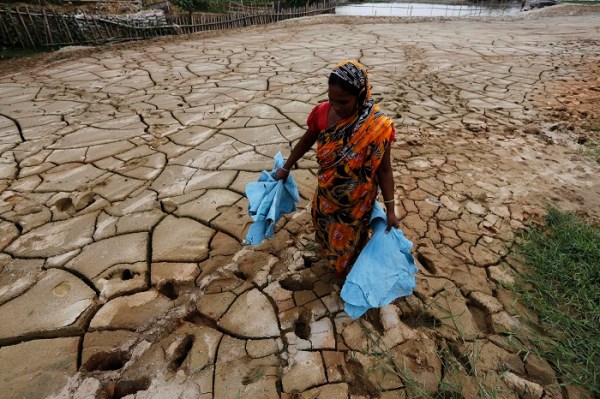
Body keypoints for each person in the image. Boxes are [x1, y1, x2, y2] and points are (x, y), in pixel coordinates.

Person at [274, 60, 399, 279]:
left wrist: (390, 210)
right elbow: (307, 139)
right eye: (332, 100)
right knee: (323, 231)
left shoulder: (376, 127)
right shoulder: (323, 113)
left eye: (344, 101)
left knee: (350, 244)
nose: (337, 107)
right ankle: (334, 262)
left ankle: (346, 275)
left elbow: (385, 171)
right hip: (327, 194)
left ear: (361, 96)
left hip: (357, 204)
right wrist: (286, 166)